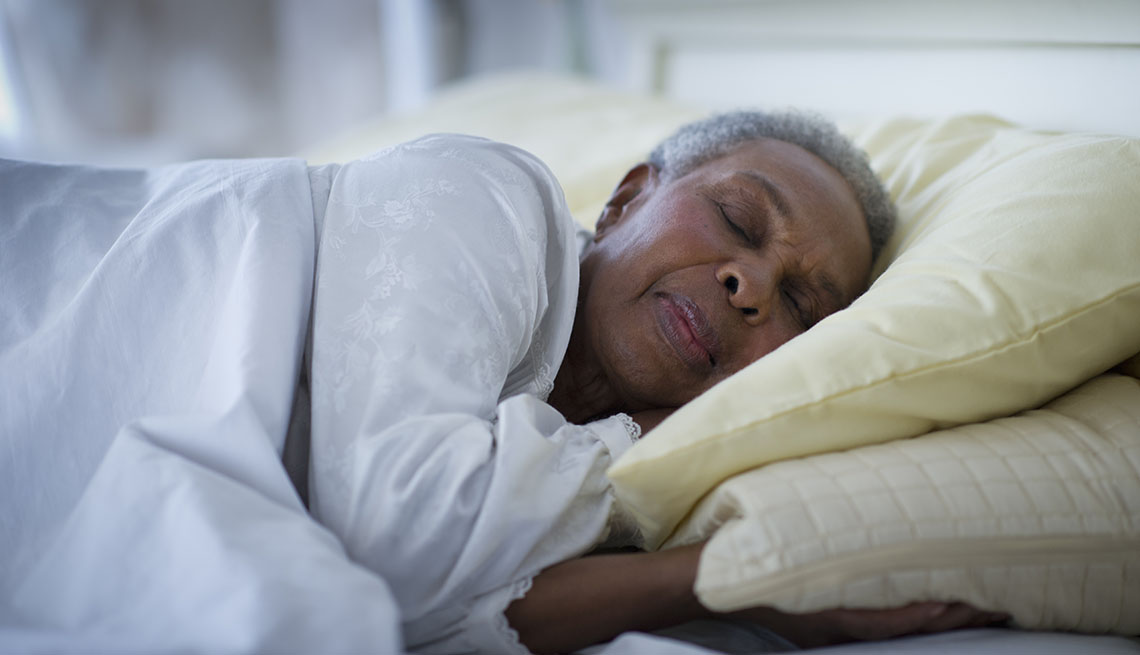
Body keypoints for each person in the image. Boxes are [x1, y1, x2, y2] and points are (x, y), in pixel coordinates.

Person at [298, 111, 1006, 654]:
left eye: (800, 307)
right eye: (736, 217)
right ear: (626, 199)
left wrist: (737, 581)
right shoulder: (480, 196)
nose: (750, 282)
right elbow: (399, 551)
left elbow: (436, 616)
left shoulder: (640, 484)